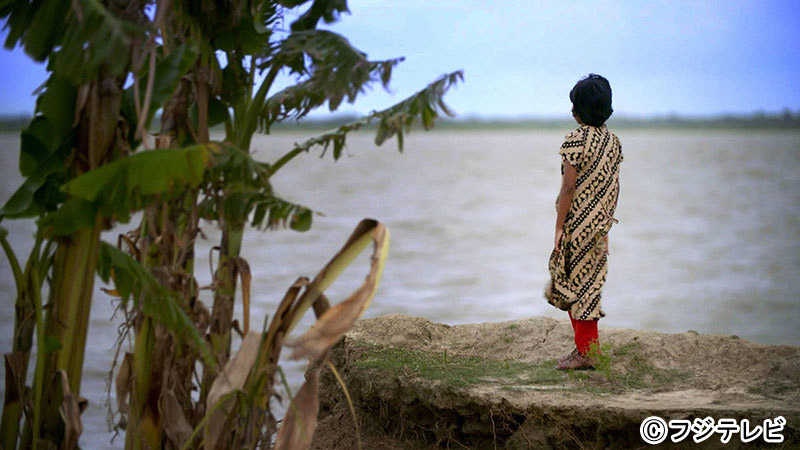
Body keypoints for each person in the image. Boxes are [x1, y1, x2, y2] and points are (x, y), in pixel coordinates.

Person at [544, 74, 623, 370]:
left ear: (577, 110)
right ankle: (585, 349)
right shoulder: (613, 142)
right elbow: (615, 187)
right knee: (586, 286)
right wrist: (606, 225)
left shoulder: (575, 140)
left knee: (573, 287)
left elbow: (568, 188)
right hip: (599, 225)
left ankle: (587, 354)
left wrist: (559, 227)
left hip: (577, 225)